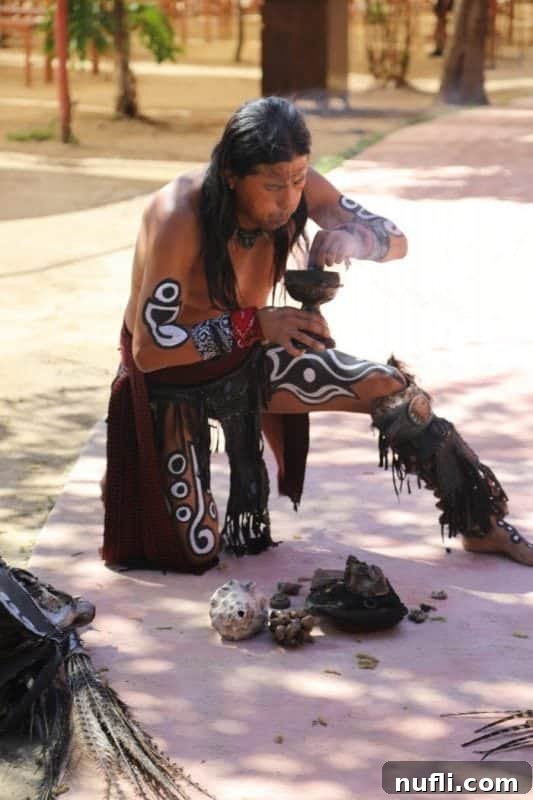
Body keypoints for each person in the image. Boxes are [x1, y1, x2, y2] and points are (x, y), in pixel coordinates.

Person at [101, 96, 533, 573]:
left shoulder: (296, 185)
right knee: (195, 551)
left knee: (388, 387)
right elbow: (149, 349)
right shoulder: (177, 214)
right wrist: (254, 324)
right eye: (271, 185)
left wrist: (355, 240)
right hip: (173, 380)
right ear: (230, 173)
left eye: (298, 179)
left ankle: (480, 521)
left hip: (249, 356)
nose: (288, 199)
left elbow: (396, 240)